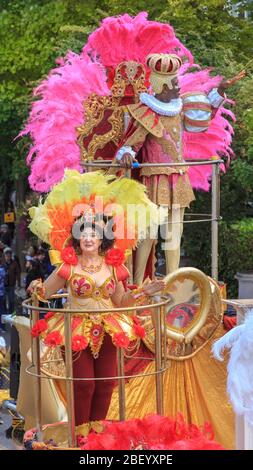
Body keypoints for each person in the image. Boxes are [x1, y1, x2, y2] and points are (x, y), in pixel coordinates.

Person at [27, 170, 164, 437]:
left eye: (94, 234)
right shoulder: (68, 267)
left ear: (102, 239)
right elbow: (45, 292)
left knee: (106, 383)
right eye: (84, 234)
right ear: (78, 238)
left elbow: (121, 300)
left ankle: (97, 434)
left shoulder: (115, 267)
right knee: (84, 384)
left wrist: (144, 293)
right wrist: (36, 287)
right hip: (76, 328)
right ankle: (79, 434)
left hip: (110, 328)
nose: (89, 238)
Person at [115, 53, 245, 284]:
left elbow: (202, 119)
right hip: (156, 179)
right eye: (174, 83)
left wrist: (220, 93)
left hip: (179, 178)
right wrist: (125, 154)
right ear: (162, 86)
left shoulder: (179, 108)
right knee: (149, 233)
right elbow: (131, 143)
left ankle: (172, 284)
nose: (178, 86)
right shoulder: (148, 112)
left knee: (175, 234)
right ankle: (136, 285)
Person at [3, 247, 21, 315]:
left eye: (9, 254)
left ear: (11, 255)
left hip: (11, 285)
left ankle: (11, 314)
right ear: (4, 255)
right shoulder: (2, 263)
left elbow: (18, 274)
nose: (8, 256)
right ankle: (4, 314)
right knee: (3, 300)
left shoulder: (14, 263)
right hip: (3, 285)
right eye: (6, 254)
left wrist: (18, 283)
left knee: (11, 301)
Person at [0, 251, 7, 331]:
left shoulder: (1, 270)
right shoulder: (3, 270)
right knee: (2, 310)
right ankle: (3, 327)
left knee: (2, 310)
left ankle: (2, 326)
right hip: (2, 293)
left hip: (1, 293)